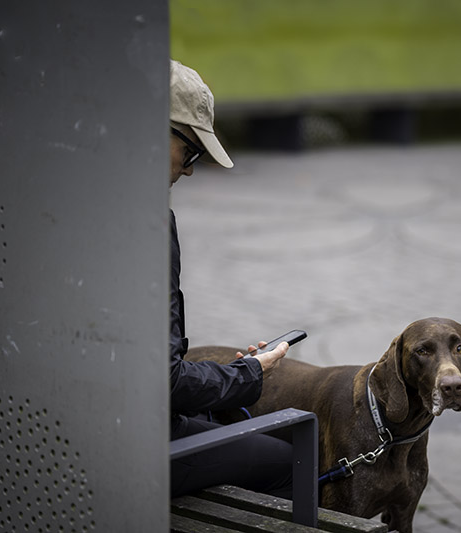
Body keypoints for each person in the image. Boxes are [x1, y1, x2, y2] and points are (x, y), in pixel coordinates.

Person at [167, 60, 294, 498]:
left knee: (224, 425)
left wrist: (223, 379)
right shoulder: (145, 223)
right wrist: (246, 375)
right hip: (130, 443)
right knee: (289, 458)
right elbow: (162, 382)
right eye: (191, 151)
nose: (189, 170)